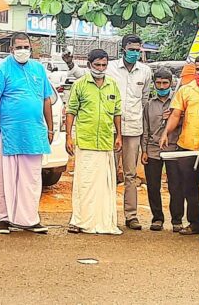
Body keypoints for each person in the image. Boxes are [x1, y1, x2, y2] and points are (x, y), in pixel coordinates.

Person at [65, 34, 152, 230]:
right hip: (106, 132)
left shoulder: (145, 72)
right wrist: (70, 64)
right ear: (123, 49)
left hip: (132, 129)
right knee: (106, 175)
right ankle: (103, 214)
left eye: (138, 50)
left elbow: (144, 100)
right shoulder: (110, 68)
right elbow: (82, 78)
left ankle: (130, 216)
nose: (135, 53)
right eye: (131, 49)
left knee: (130, 174)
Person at [0, 32, 55, 234]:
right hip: (10, 132)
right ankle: (3, 219)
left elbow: (46, 100)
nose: (23, 51)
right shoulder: (2, 70)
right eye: (19, 47)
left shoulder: (38, 69)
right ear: (11, 49)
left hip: (34, 133)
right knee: (6, 176)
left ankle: (28, 219)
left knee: (31, 178)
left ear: (31, 49)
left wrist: (50, 127)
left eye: (26, 47)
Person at [65, 49, 123, 235]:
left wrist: (119, 136)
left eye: (104, 65)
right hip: (86, 141)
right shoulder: (80, 85)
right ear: (89, 65)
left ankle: (104, 221)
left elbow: (117, 113)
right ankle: (80, 221)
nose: (100, 68)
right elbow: (71, 111)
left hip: (106, 141)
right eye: (97, 65)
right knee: (85, 183)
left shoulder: (112, 85)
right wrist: (68, 136)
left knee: (104, 185)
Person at [159, 55, 199, 237]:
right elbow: (175, 115)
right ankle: (194, 224)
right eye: (197, 69)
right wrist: (166, 132)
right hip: (187, 146)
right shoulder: (185, 90)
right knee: (189, 188)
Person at [141, 68, 179, 232]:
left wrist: (174, 117)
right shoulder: (149, 104)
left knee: (176, 186)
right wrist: (144, 150)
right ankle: (157, 218)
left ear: (171, 83)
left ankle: (177, 220)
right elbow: (145, 129)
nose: (162, 86)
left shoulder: (177, 102)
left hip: (173, 149)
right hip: (153, 149)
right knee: (153, 186)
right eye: (159, 83)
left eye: (165, 83)